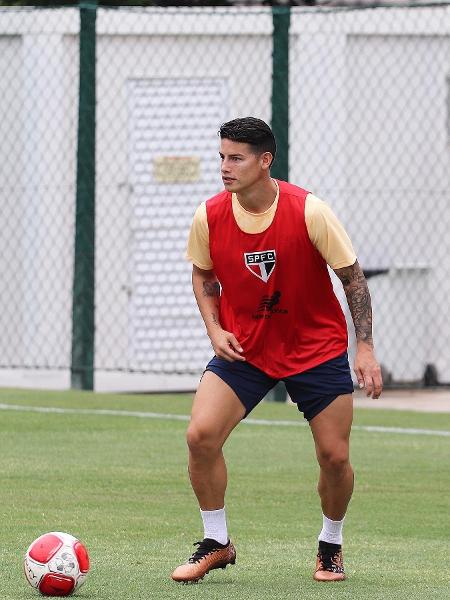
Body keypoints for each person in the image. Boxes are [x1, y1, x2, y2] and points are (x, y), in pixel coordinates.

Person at [171, 117, 382, 584]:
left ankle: (330, 544)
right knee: (199, 436)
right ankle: (216, 542)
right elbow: (204, 275)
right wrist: (215, 330)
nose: (225, 167)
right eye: (222, 156)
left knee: (335, 457)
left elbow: (352, 277)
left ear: (265, 161)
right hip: (246, 348)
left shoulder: (310, 210)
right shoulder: (209, 215)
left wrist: (364, 348)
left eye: (236, 158)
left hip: (315, 348)